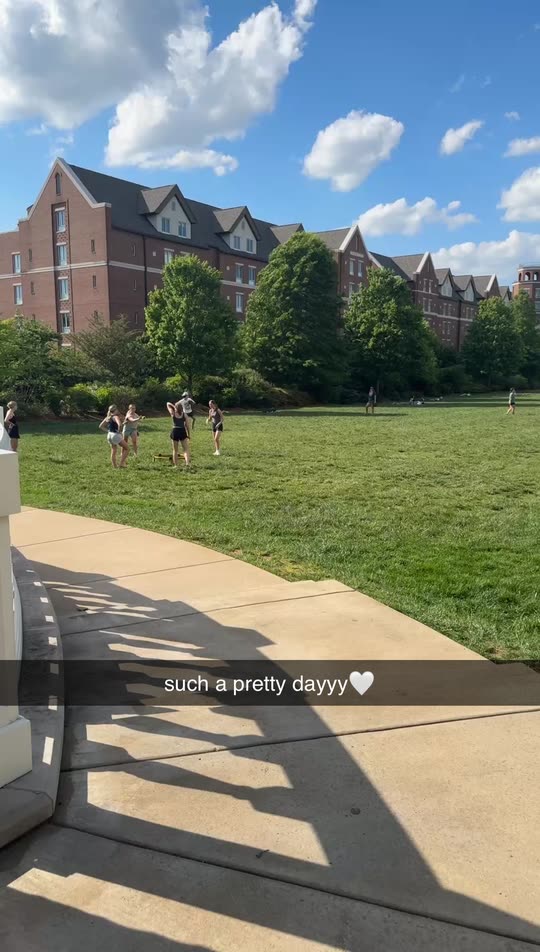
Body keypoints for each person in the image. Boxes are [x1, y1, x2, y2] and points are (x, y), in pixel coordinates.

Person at [166, 401, 191, 468]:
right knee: (185, 449)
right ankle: (187, 463)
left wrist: (174, 407)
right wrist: (189, 434)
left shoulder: (173, 413)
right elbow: (187, 426)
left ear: (176, 407)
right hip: (182, 431)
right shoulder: (184, 415)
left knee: (175, 450)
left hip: (175, 431)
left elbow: (167, 403)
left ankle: (176, 465)